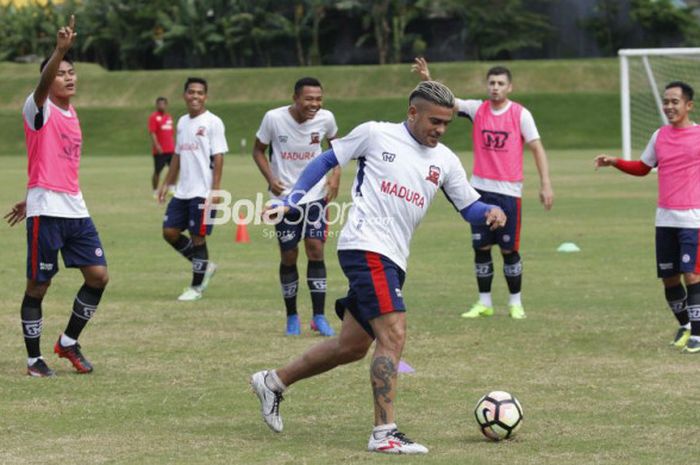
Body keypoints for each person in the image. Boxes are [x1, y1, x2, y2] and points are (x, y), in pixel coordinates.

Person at [250, 81, 507, 454]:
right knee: (394, 334)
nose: (440, 129)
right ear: (413, 112)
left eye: (446, 124)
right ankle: (384, 432)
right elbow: (326, 159)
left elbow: (470, 207)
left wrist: (491, 212)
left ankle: (272, 381)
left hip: (394, 256)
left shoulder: (446, 160)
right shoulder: (376, 134)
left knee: (352, 346)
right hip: (366, 246)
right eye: (434, 121)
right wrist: (291, 198)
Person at [4, 15, 109, 377]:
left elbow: (49, 162)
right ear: (48, 77)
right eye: (61, 72)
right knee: (39, 285)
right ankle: (34, 359)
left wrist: (27, 193)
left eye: (72, 71)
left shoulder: (72, 113)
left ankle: (67, 342)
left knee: (98, 276)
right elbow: (41, 88)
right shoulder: (38, 108)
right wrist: (59, 50)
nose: (69, 76)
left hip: (74, 208)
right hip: (47, 212)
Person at [412, 57, 554, 320]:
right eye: (492, 83)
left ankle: (515, 303)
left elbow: (537, 147)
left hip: (509, 191)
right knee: (481, 248)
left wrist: (546, 184)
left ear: (509, 87)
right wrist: (426, 78)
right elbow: (447, 102)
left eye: (501, 83)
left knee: (509, 249)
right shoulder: (478, 109)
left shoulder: (521, 114)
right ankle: (484, 303)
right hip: (479, 190)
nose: (495, 87)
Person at [594, 81, 700, 353]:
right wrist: (615, 161)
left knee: (692, 274)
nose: (669, 106)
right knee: (670, 278)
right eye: (666, 101)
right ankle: (686, 325)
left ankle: (699, 334)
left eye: (675, 101)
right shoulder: (659, 136)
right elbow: (643, 167)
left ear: (688, 105)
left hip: (693, 218)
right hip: (664, 219)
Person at [252, 77, 340, 336]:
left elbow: (338, 148)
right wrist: (270, 179)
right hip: (283, 199)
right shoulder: (273, 118)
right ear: (295, 98)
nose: (315, 104)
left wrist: (335, 176)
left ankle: (319, 317)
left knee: (316, 250)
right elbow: (258, 151)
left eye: (318, 99)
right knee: (289, 255)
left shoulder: (326, 119)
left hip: (315, 196)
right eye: (309, 99)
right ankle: (292, 316)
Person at [158, 77, 228, 301]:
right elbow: (177, 155)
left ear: (205, 97)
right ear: (184, 95)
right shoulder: (181, 122)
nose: (195, 96)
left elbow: (218, 157)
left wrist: (215, 191)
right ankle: (206, 267)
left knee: (198, 238)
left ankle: (196, 287)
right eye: (191, 92)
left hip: (203, 191)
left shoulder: (213, 122)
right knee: (169, 232)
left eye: (200, 93)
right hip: (182, 191)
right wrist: (167, 183)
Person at [148, 97, 175, 197]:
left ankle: (172, 188)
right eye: (159, 104)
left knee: (173, 169)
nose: (161, 106)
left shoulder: (169, 117)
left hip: (171, 149)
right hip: (160, 150)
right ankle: (155, 191)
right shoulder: (154, 117)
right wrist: (157, 145)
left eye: (163, 104)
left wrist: (174, 145)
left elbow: (171, 133)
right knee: (157, 171)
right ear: (156, 105)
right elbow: (152, 132)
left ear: (166, 105)